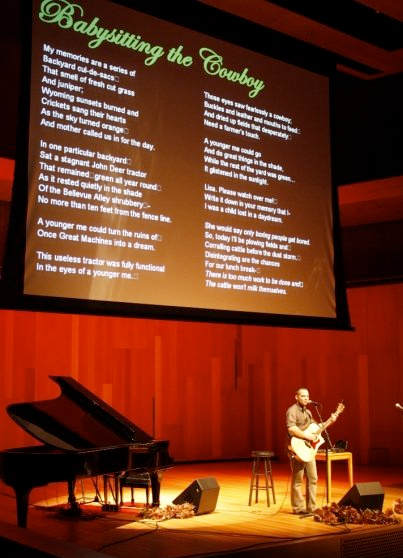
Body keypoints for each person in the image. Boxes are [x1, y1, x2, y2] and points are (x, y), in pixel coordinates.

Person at [286, 387, 320, 515]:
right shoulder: (292, 411)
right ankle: (298, 508)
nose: (306, 398)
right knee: (298, 479)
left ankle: (312, 507)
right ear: (296, 397)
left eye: (307, 396)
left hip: (308, 449)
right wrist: (307, 436)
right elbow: (292, 429)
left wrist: (331, 420)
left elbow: (315, 428)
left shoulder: (309, 412)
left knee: (313, 478)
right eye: (303, 396)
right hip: (296, 448)